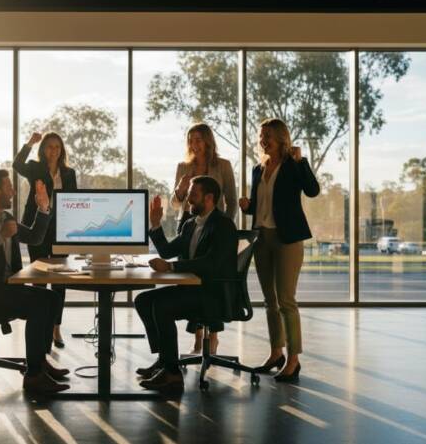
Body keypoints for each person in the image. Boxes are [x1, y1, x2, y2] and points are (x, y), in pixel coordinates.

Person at [0, 169, 70, 394]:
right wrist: (0, 237)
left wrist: (44, 208)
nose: (13, 192)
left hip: (7, 289)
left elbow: (35, 237)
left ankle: (39, 362)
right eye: (9, 187)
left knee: (52, 298)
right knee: (39, 305)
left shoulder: (6, 218)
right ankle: (34, 375)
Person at [134, 176, 238, 393]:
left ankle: (172, 374)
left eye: (193, 195)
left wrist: (171, 268)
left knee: (162, 306)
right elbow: (167, 251)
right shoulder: (190, 224)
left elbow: (211, 264)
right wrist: (155, 225)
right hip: (191, 290)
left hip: (213, 295)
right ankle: (165, 360)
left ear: (209, 198)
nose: (189, 200)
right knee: (143, 300)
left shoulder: (223, 225)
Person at [239, 118, 320, 383]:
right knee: (269, 301)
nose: (263, 140)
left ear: (281, 138)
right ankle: (276, 353)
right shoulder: (257, 169)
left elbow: (312, 190)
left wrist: (301, 161)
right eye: (261, 136)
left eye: (268, 136)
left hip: (288, 239)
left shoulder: (292, 165)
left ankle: (294, 360)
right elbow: (260, 206)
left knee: (286, 300)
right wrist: (247, 205)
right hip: (261, 237)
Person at [171, 123, 238, 355]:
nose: (194, 144)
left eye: (198, 139)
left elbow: (231, 199)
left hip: (214, 227)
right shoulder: (183, 166)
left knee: (210, 279)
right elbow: (176, 203)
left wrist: (224, 227)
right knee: (189, 280)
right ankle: (197, 339)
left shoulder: (223, 166)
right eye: (191, 139)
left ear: (208, 141)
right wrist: (180, 190)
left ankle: (213, 337)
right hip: (188, 226)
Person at [13, 131, 78, 348]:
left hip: (61, 230)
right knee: (39, 278)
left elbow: (73, 200)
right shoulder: (34, 168)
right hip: (37, 227)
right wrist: (29, 143)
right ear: (43, 149)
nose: (54, 151)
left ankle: (55, 328)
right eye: (49, 146)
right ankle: (39, 326)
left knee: (60, 280)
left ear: (62, 150)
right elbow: (16, 164)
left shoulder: (69, 173)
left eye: (57, 147)